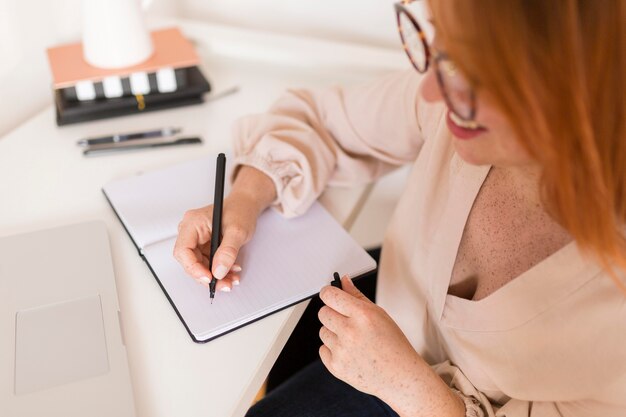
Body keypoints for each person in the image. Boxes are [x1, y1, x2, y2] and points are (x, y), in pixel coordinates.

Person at [173, 0, 626, 415]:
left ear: (579, 88)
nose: (431, 92)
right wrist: (247, 198)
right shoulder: (450, 105)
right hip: (367, 349)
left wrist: (407, 386)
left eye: (474, 71)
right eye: (441, 49)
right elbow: (323, 121)